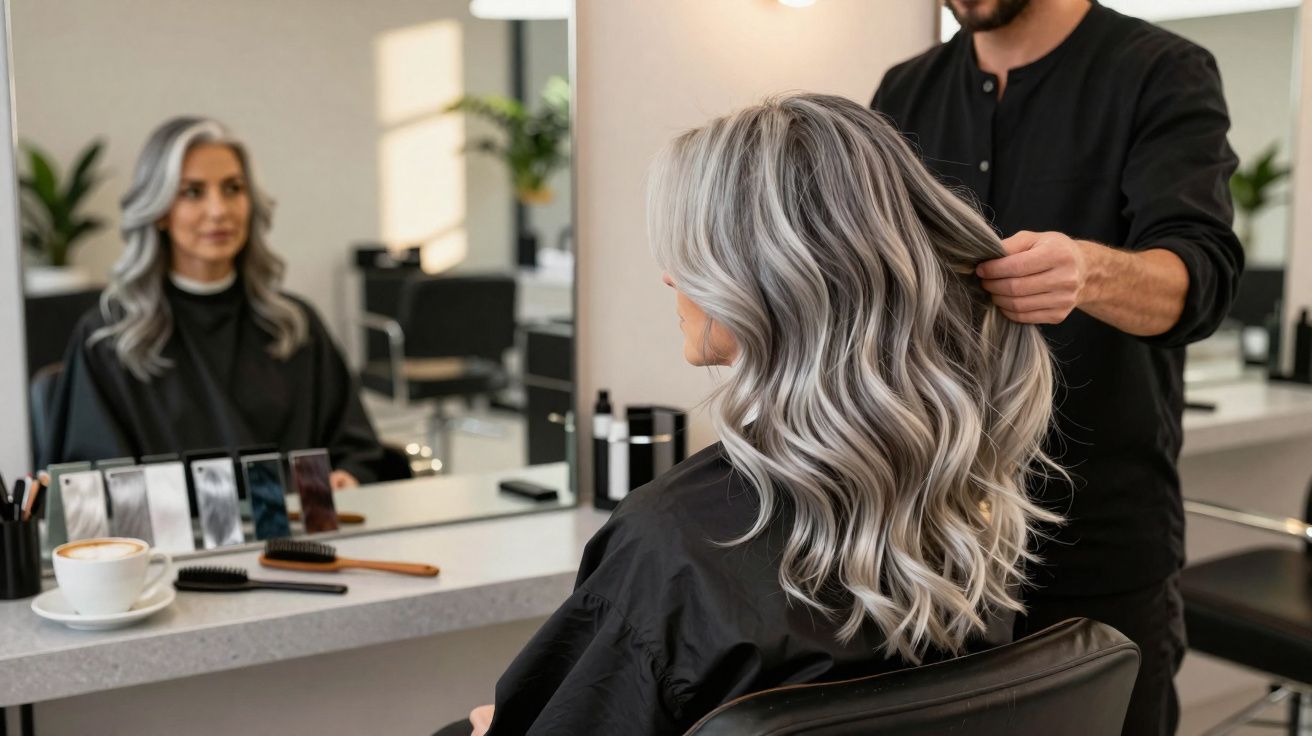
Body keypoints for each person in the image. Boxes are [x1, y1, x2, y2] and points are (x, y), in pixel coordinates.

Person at [437, 93, 1062, 736]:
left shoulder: (672, 543)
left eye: (691, 253)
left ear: (762, 278)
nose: (668, 279)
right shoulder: (968, 498)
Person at [871, 2, 1244, 733]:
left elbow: (1201, 279)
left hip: (1099, 540)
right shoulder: (903, 92)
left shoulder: (1162, 71)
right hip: (933, 545)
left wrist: (1090, 273)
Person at [43, 117, 384, 488]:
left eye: (233, 188)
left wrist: (346, 478)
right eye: (193, 192)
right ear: (158, 211)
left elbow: (357, 450)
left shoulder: (295, 326)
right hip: (167, 547)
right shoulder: (108, 340)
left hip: (295, 542)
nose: (219, 210)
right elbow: (89, 487)